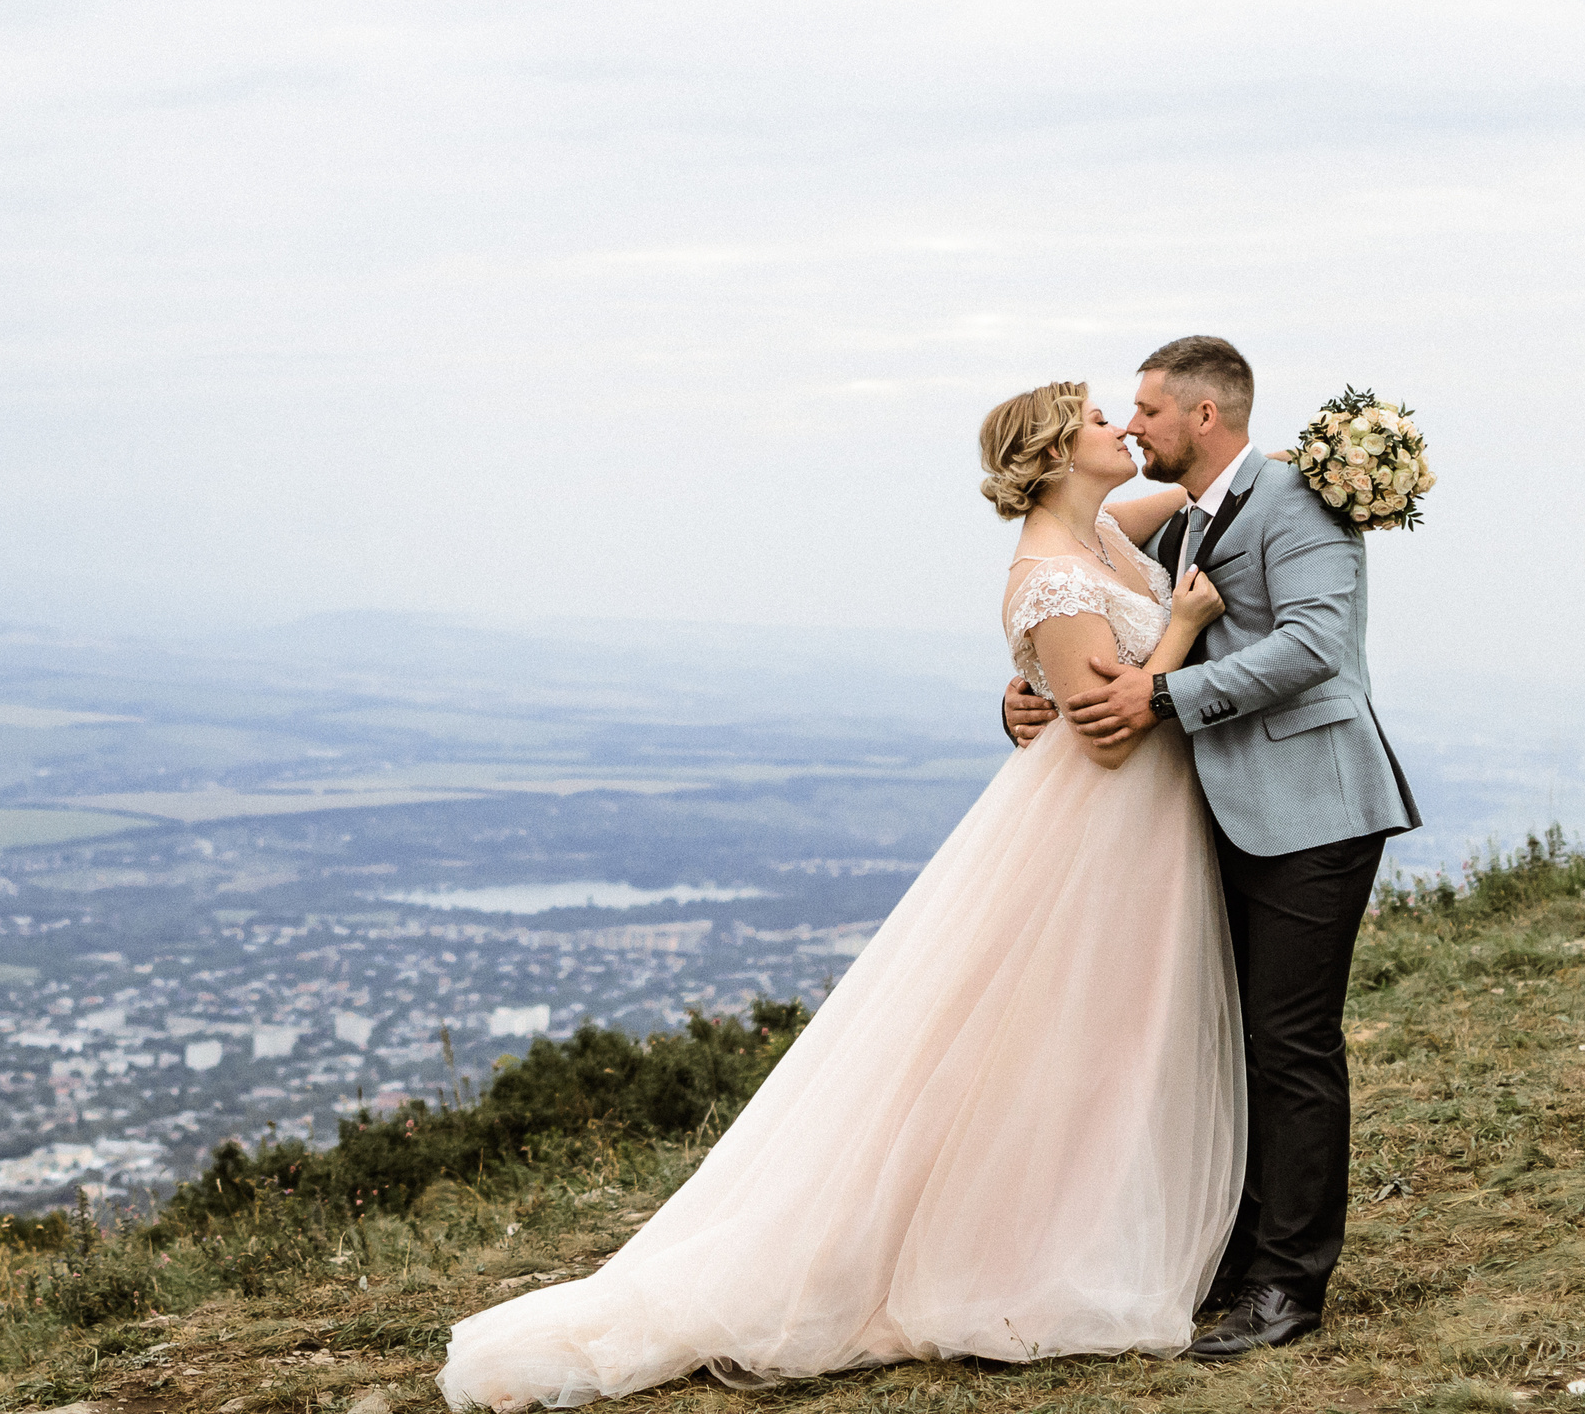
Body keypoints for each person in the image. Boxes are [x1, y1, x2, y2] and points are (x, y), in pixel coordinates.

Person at [438, 379, 1245, 1412]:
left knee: (1112, 1037)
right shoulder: (1049, 575)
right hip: (1099, 826)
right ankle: (1024, 1255)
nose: (1119, 427)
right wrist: (1180, 628)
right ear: (1052, 455)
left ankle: (1107, 1227)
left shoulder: (1106, 533)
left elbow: (1209, 490)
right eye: (1096, 419)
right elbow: (1107, 732)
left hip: (1138, 829)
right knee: (1060, 1041)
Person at [1005, 335, 1418, 1357]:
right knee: (1235, 1045)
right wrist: (1036, 694)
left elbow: (1315, 643)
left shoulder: (1298, 500)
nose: (1131, 423)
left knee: (1290, 1044)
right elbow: (1087, 612)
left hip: (1312, 804)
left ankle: (1288, 1287)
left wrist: (1163, 693)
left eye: (1146, 409)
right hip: (1215, 813)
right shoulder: (1182, 516)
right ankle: (1236, 1257)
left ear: (1202, 414)